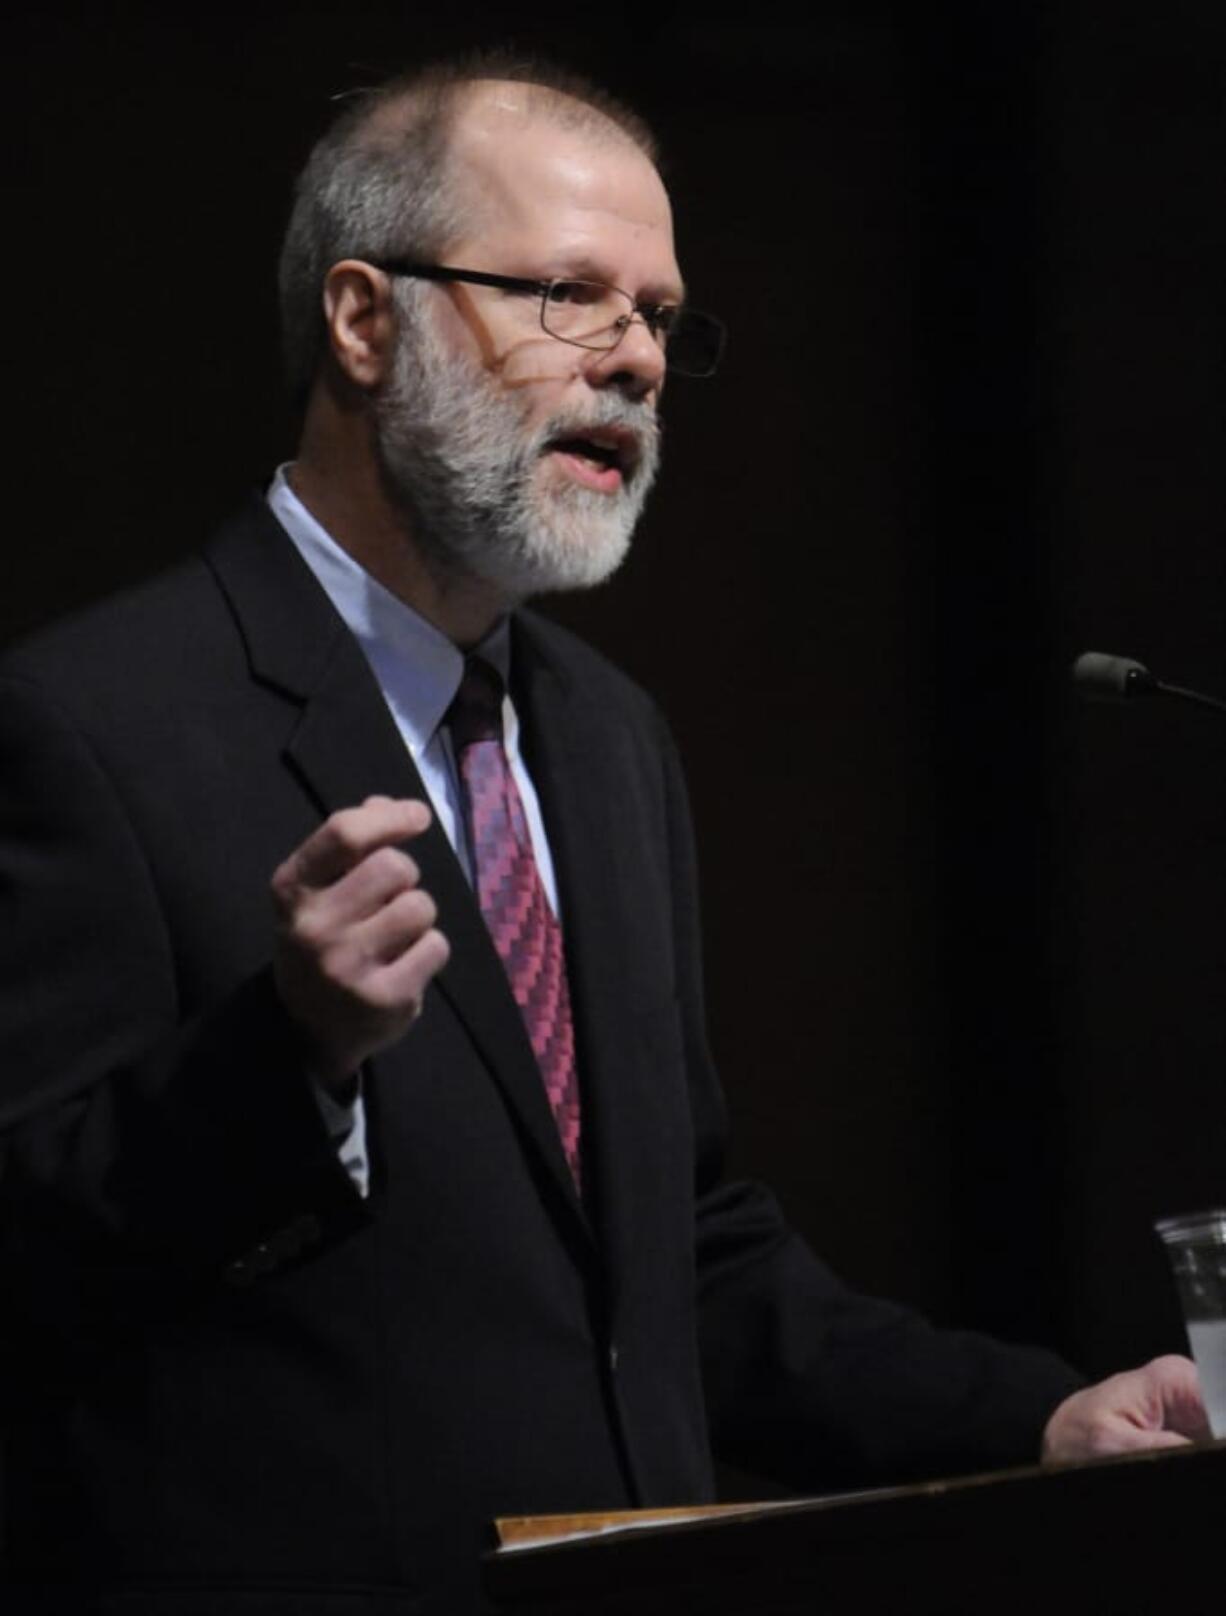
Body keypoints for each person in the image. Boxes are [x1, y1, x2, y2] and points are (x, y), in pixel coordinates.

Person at [0, 52, 1207, 1616]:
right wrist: (280, 1059)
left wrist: (1029, 1421)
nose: (635, 361)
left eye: (654, 315)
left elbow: (674, 1263)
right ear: (365, 322)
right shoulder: (88, 721)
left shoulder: (602, 734)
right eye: (571, 295)